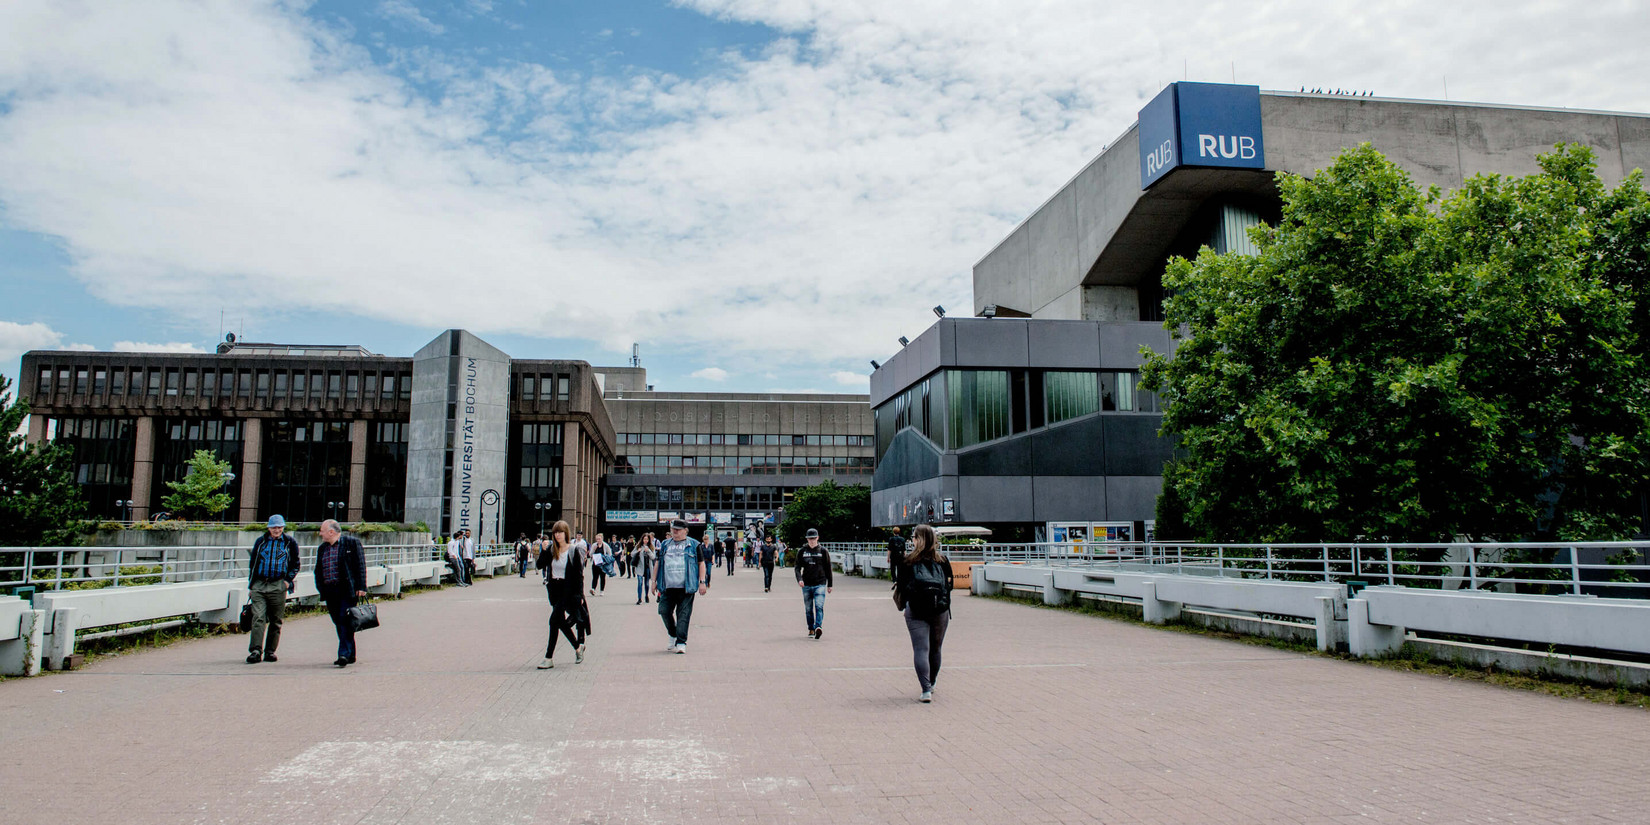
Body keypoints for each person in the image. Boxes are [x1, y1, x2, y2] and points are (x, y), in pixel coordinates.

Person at [894, 523, 953, 703]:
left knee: (921, 648)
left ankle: (925, 689)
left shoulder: (907, 561)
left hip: (916, 610)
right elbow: (950, 585)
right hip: (939, 610)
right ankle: (933, 682)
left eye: (913, 537)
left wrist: (904, 605)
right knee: (935, 648)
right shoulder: (942, 560)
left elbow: (902, 585)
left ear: (918, 539)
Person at [245, 514, 299, 664]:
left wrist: (287, 581)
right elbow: (253, 564)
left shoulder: (289, 543)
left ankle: (270, 651)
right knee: (258, 617)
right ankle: (256, 650)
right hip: (260, 583)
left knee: (276, 620)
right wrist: (251, 585)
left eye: (280, 527)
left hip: (278, 583)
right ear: (269, 528)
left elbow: (295, 564)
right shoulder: (261, 542)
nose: (277, 530)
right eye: (274, 527)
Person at [315, 519, 367, 668]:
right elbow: (318, 569)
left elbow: (360, 565)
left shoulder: (351, 543)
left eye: (322, 531)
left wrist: (361, 586)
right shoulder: (322, 548)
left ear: (331, 532)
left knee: (345, 619)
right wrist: (320, 588)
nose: (320, 533)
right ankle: (350, 653)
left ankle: (343, 654)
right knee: (339, 622)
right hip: (330, 591)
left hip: (347, 589)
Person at [536, 520, 587, 669]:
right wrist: (544, 551)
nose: (557, 535)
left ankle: (548, 657)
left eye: (560, 532)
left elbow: (579, 574)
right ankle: (578, 647)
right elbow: (540, 565)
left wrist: (579, 595)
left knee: (553, 621)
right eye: (555, 533)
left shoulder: (573, 550)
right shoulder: (552, 549)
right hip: (554, 589)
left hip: (568, 589)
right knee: (559, 622)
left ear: (566, 533)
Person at [655, 519, 707, 653]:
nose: (675, 532)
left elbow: (701, 563)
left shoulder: (694, 545)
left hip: (686, 586)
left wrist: (702, 582)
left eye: (678, 530)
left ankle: (681, 642)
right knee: (663, 610)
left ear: (685, 531)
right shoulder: (665, 544)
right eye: (673, 529)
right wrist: (653, 581)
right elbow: (658, 562)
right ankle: (673, 634)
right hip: (667, 586)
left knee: (683, 615)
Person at [794, 528, 833, 639]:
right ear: (807, 539)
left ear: (818, 538)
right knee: (808, 608)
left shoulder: (823, 551)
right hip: (806, 584)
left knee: (819, 606)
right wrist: (799, 579)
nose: (812, 541)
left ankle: (818, 627)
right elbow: (797, 567)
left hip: (820, 583)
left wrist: (830, 584)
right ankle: (811, 628)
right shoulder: (802, 551)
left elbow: (828, 568)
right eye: (810, 539)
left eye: (814, 538)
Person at [635, 532, 656, 604]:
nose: (645, 540)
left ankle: (646, 595)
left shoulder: (651, 546)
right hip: (640, 567)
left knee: (646, 583)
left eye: (647, 539)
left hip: (647, 567)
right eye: (644, 539)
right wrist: (637, 551)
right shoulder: (638, 545)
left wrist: (649, 551)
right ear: (642, 539)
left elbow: (653, 557)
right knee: (640, 583)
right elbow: (632, 554)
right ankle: (639, 598)